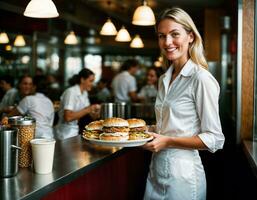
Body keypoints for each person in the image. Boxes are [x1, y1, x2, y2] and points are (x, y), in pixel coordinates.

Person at [142, 7, 225, 200]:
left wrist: (168, 141)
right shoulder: (164, 78)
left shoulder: (201, 79)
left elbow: (215, 139)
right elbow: (171, 125)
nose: (167, 42)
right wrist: (147, 130)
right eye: (162, 36)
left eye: (174, 34)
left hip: (184, 178)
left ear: (191, 37)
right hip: (156, 172)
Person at [55, 68, 101, 140]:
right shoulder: (71, 92)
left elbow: (91, 115)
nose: (92, 84)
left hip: (76, 130)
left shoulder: (84, 93)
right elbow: (68, 117)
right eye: (91, 81)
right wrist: (89, 109)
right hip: (65, 133)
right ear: (82, 80)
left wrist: (96, 111)